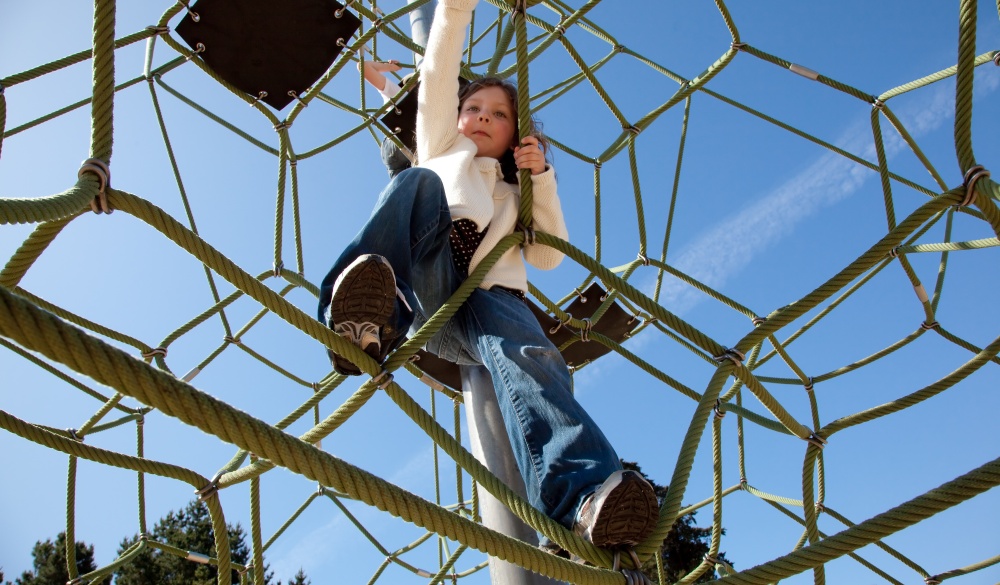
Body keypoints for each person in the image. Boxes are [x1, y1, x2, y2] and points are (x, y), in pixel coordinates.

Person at [318, 0, 658, 558]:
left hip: (485, 303)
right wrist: (453, 10)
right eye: (472, 106)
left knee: (534, 357)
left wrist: (540, 180)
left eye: (498, 115)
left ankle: (582, 498)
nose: (481, 116)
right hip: (428, 284)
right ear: (455, 115)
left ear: (516, 136)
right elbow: (438, 72)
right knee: (413, 181)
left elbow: (548, 257)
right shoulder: (442, 150)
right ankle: (362, 315)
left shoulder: (514, 193)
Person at [360, 59, 415, 178]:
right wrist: (389, 67)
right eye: (414, 85)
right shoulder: (397, 93)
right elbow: (364, 67)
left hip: (407, 152)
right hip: (396, 144)